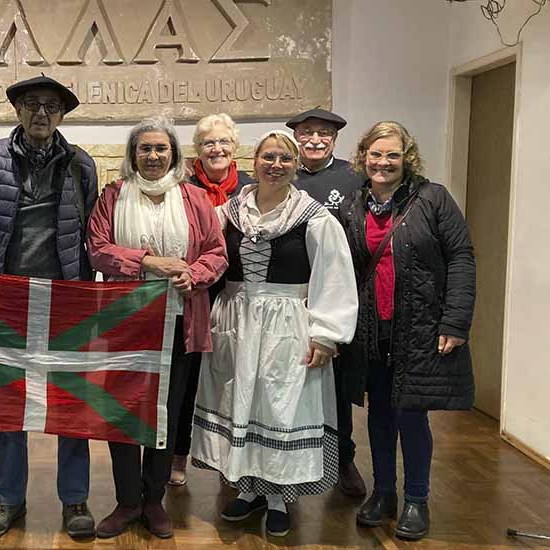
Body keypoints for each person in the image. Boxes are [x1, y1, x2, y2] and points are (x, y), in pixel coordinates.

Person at [190, 130, 358, 537]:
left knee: (281, 406)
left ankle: (281, 496)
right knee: (241, 405)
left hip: (287, 325)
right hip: (235, 320)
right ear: (254, 162)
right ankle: (248, 491)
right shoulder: (227, 213)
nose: (276, 165)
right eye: (268, 157)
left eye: (285, 158)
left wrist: (326, 334)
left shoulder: (313, 217)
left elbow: (334, 277)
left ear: (295, 165)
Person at [0, 75, 99, 540]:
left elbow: (87, 229)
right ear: (17, 110)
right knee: (9, 402)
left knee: (71, 402)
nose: (40, 113)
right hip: (8, 299)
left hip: (66, 298)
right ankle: (7, 498)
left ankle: (75, 498)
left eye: (50, 105)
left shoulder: (81, 165)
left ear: (62, 113)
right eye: (30, 104)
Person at [86, 115, 227, 539]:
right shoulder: (112, 195)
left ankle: (154, 500)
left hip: (180, 319)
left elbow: (217, 253)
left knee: (167, 412)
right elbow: (97, 249)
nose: (152, 155)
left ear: (173, 153)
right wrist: (148, 262)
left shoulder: (195, 198)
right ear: (133, 154)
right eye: (144, 148)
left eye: (160, 148)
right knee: (123, 414)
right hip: (125, 321)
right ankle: (127, 501)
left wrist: (194, 274)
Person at [339, 121, 475, 540]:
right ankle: (383, 494)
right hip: (370, 329)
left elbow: (461, 257)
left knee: (412, 415)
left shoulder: (433, 199)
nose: (383, 162)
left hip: (419, 327)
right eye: (376, 154)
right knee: (379, 415)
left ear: (406, 158)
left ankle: (417, 498)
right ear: (364, 156)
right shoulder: (353, 204)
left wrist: (455, 320)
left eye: (392, 155)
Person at [168, 113, 255, 487]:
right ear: (197, 150)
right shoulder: (180, 186)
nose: (216, 149)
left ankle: (229, 458)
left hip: (238, 297)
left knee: (233, 380)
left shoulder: (251, 188)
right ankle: (177, 455)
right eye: (208, 143)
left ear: (234, 147)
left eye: (223, 142)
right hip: (195, 293)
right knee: (185, 382)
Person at [286, 108, 367, 498]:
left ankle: (344, 458)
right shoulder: (284, 173)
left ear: (335, 139)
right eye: (306, 134)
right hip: (292, 296)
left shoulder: (354, 177)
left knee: (338, 381)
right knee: (294, 382)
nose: (314, 140)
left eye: (323, 134)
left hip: (337, 292)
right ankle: (291, 456)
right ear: (296, 138)